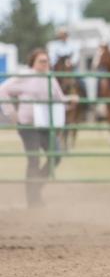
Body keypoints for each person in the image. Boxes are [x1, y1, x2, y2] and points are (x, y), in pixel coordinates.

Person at [0, 48, 77, 207]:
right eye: (41, 61)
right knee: (34, 160)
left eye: (47, 61)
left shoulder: (51, 77)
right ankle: (33, 199)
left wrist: (71, 100)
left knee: (56, 156)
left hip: (46, 125)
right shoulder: (25, 76)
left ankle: (35, 187)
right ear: (33, 62)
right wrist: (11, 113)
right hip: (28, 126)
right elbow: (3, 90)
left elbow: (59, 98)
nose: (45, 64)